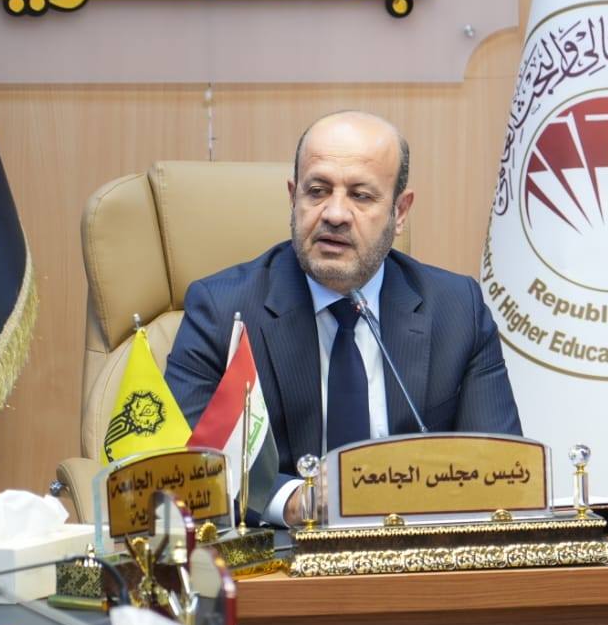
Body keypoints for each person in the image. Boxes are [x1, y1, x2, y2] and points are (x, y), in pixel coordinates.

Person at [166, 110, 521, 525]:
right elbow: (184, 471)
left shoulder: (457, 310)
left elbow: (502, 473)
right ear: (293, 198)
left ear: (400, 211)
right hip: (285, 554)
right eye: (317, 191)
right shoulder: (222, 310)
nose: (334, 214)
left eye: (361, 196)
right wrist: (295, 501)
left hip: (416, 553)